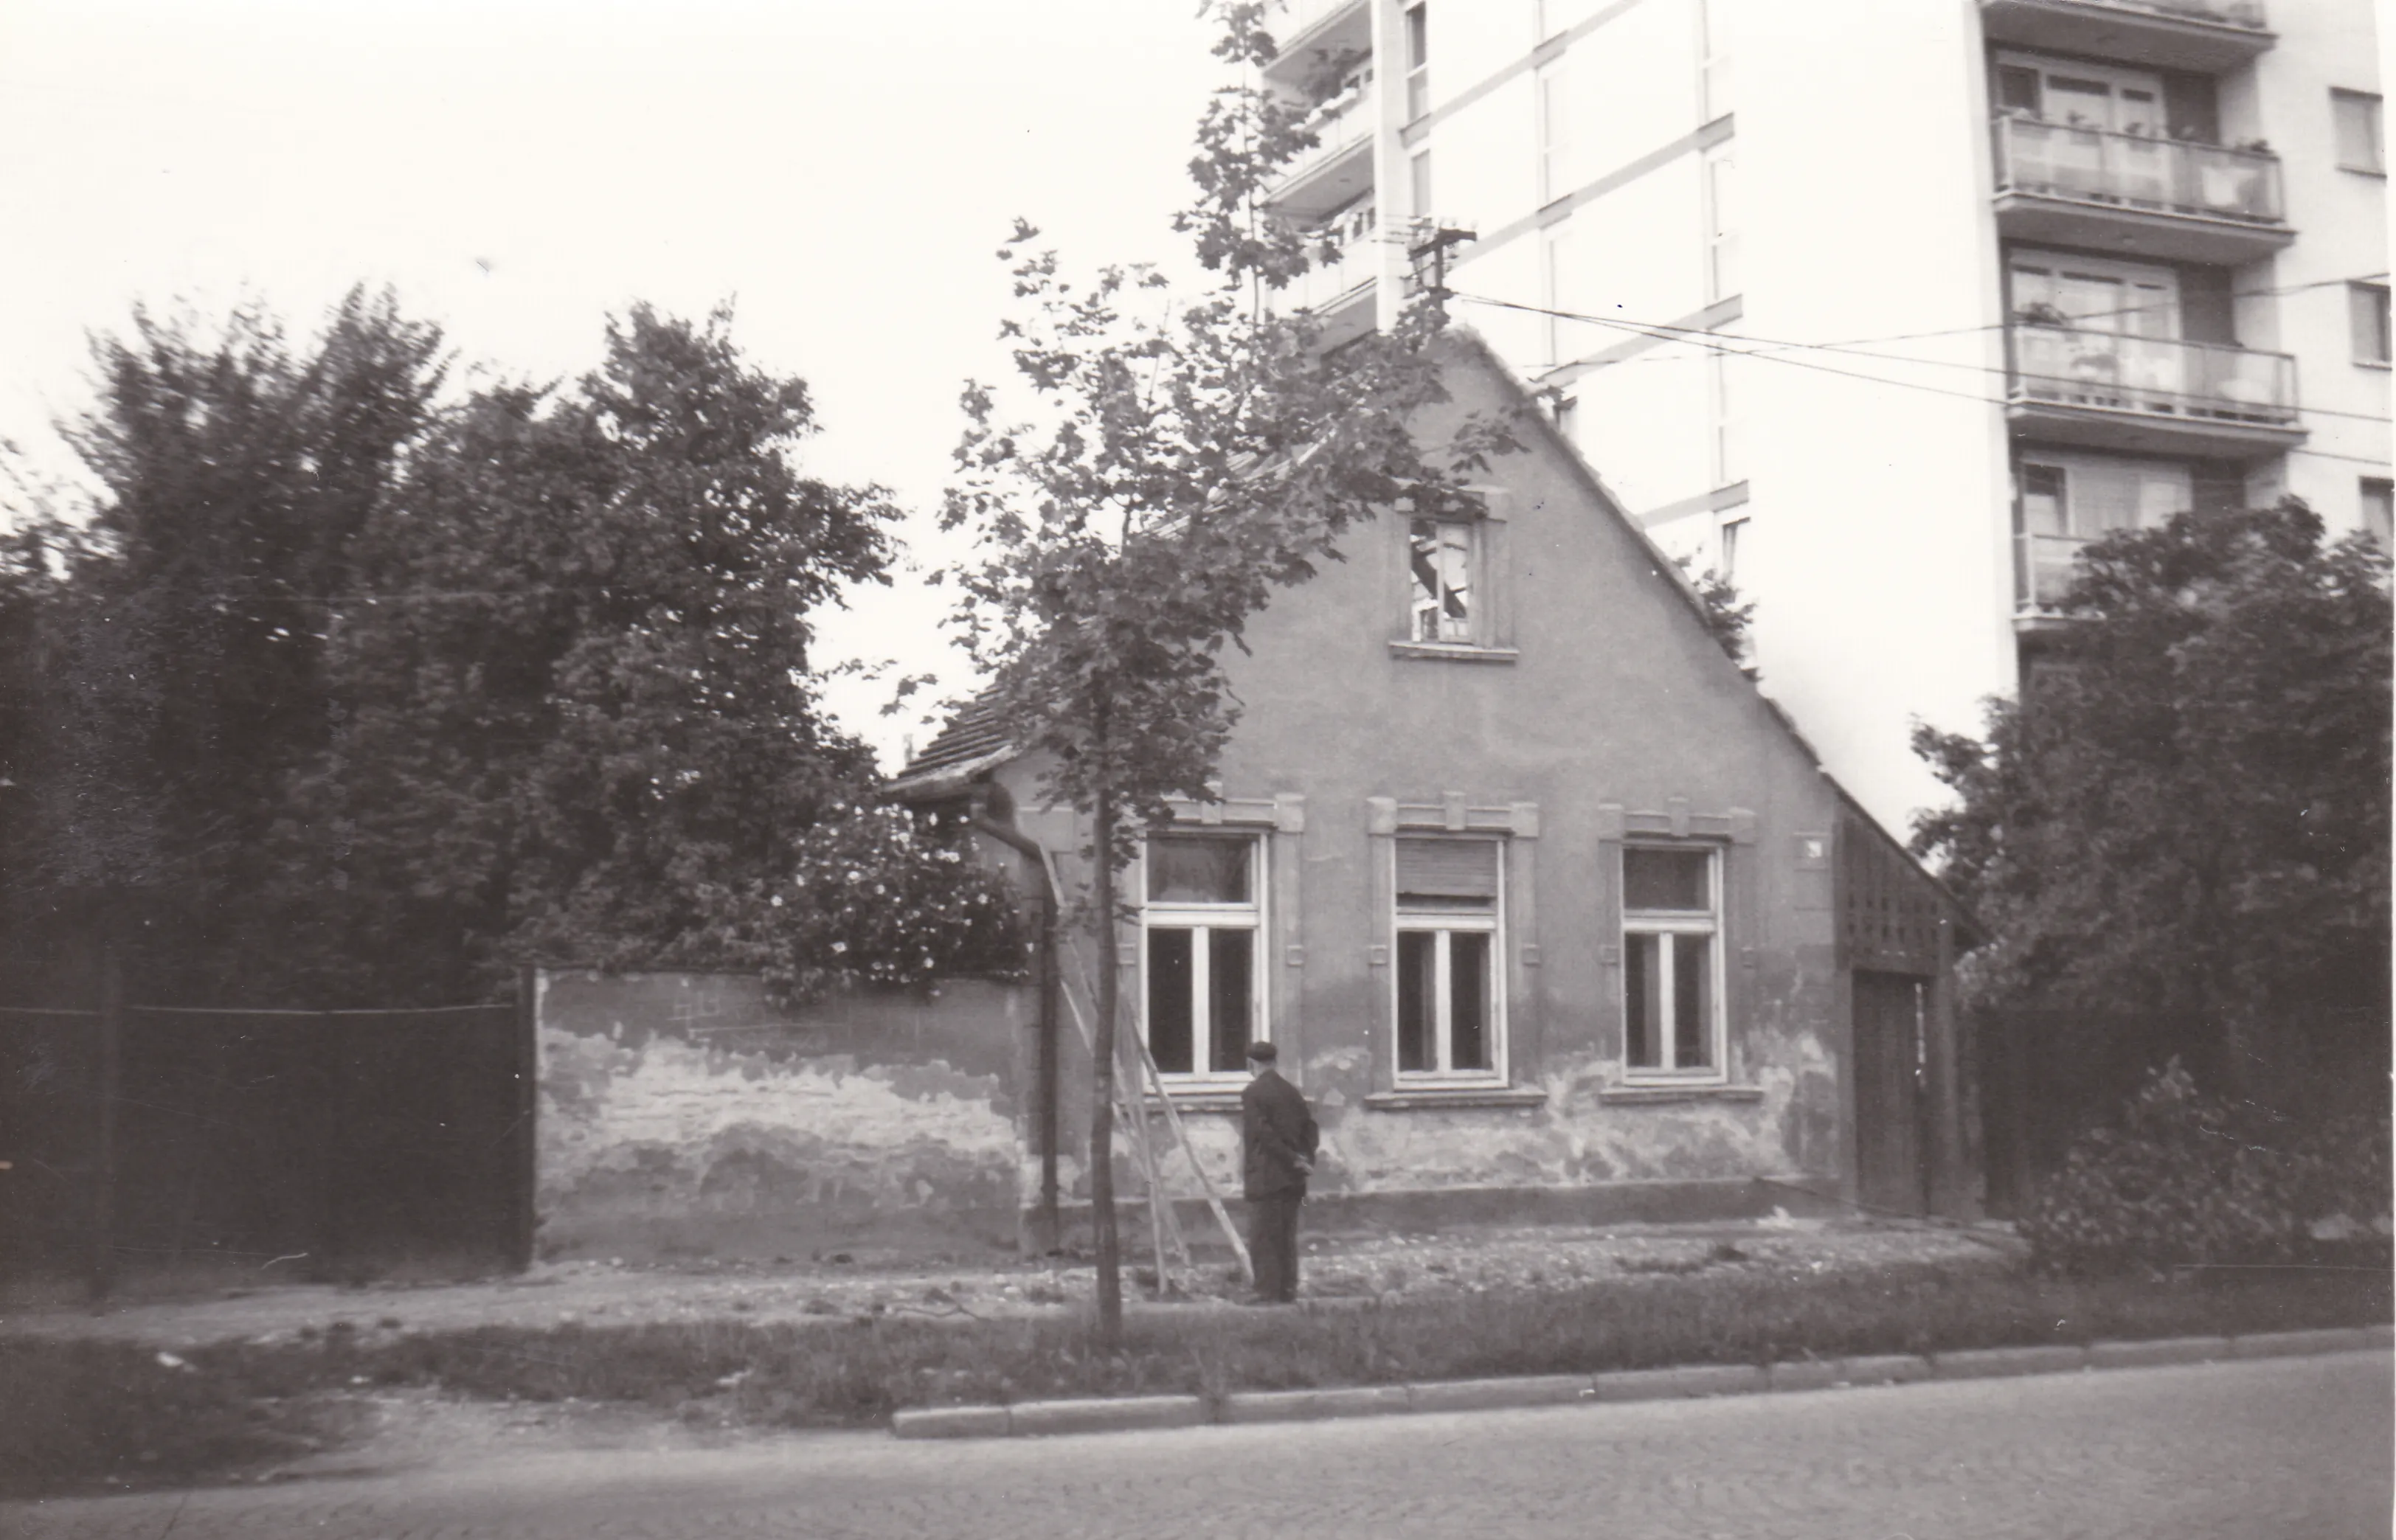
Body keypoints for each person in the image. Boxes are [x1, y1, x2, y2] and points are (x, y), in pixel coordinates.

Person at [1239, 1041, 1318, 1305]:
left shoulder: (1253, 1093)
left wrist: (1292, 1159)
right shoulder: (1291, 1092)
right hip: (1293, 1179)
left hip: (1267, 1175)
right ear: (1274, 1062)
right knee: (1286, 1235)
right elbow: (1310, 1130)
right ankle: (1287, 1290)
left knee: (1263, 1236)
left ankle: (1265, 1291)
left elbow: (1264, 1135)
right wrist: (1305, 1160)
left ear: (1251, 1064)